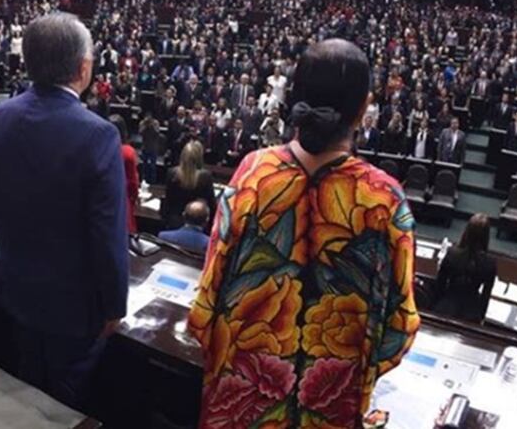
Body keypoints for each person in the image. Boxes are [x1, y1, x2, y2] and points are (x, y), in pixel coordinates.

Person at [189, 39, 419, 429]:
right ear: (364, 108)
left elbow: (208, 296)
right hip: (329, 409)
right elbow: (399, 324)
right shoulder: (384, 199)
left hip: (240, 403)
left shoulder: (253, 173)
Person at [0, 13, 128, 407]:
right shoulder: (98, 135)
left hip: (14, 288)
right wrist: (115, 305)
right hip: (73, 310)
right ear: (83, 67)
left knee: (27, 386)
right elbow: (107, 236)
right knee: (63, 404)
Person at [433, 214, 497, 323]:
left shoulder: (452, 253)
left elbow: (440, 284)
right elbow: (486, 295)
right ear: (486, 236)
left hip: (446, 307)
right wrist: (481, 316)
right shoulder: (490, 262)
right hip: (471, 313)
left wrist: (436, 306)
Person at [161, 140, 216, 232]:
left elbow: (168, 201)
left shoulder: (172, 173)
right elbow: (211, 205)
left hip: (174, 223)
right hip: (198, 225)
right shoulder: (205, 176)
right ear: (199, 157)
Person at [110, 114, 140, 234]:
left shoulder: (101, 147)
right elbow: (132, 181)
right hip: (123, 197)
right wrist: (135, 197)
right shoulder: (128, 152)